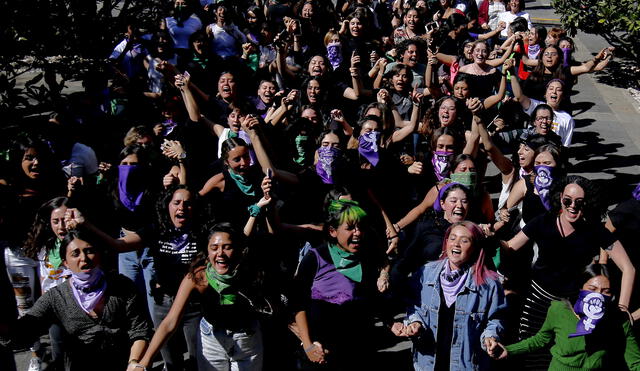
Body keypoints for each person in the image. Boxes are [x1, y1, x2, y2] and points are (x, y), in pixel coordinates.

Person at [4, 229, 152, 371]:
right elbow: (22, 333)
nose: (84, 258)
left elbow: (139, 331)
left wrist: (134, 363)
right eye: (75, 254)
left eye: (89, 251)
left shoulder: (122, 286)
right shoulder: (56, 297)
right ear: (65, 263)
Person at [139, 223, 267, 370]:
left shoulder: (252, 273)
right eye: (214, 248)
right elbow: (170, 321)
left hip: (247, 340)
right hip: (211, 341)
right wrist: (145, 361)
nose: (220, 253)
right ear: (207, 251)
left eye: (227, 247)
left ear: (238, 250)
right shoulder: (198, 277)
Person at [391, 221, 505, 370]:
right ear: (446, 242)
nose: (456, 244)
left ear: (475, 246)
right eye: (452, 238)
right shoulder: (425, 273)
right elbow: (414, 306)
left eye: (464, 240)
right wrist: (415, 323)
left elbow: (496, 319)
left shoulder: (489, 284)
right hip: (428, 363)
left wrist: (490, 337)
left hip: (466, 365)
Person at [290, 199, 390, 369]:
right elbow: (298, 304)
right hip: (322, 349)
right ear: (333, 231)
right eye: (350, 228)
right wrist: (308, 346)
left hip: (357, 346)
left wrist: (391, 323)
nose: (358, 233)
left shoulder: (366, 257)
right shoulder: (315, 258)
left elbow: (372, 300)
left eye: (360, 227)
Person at [491, 264, 640, 370]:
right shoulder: (559, 310)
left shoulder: (618, 321)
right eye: (592, 289)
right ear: (581, 289)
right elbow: (541, 339)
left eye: (605, 291)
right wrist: (509, 350)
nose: (597, 296)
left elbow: (635, 363)